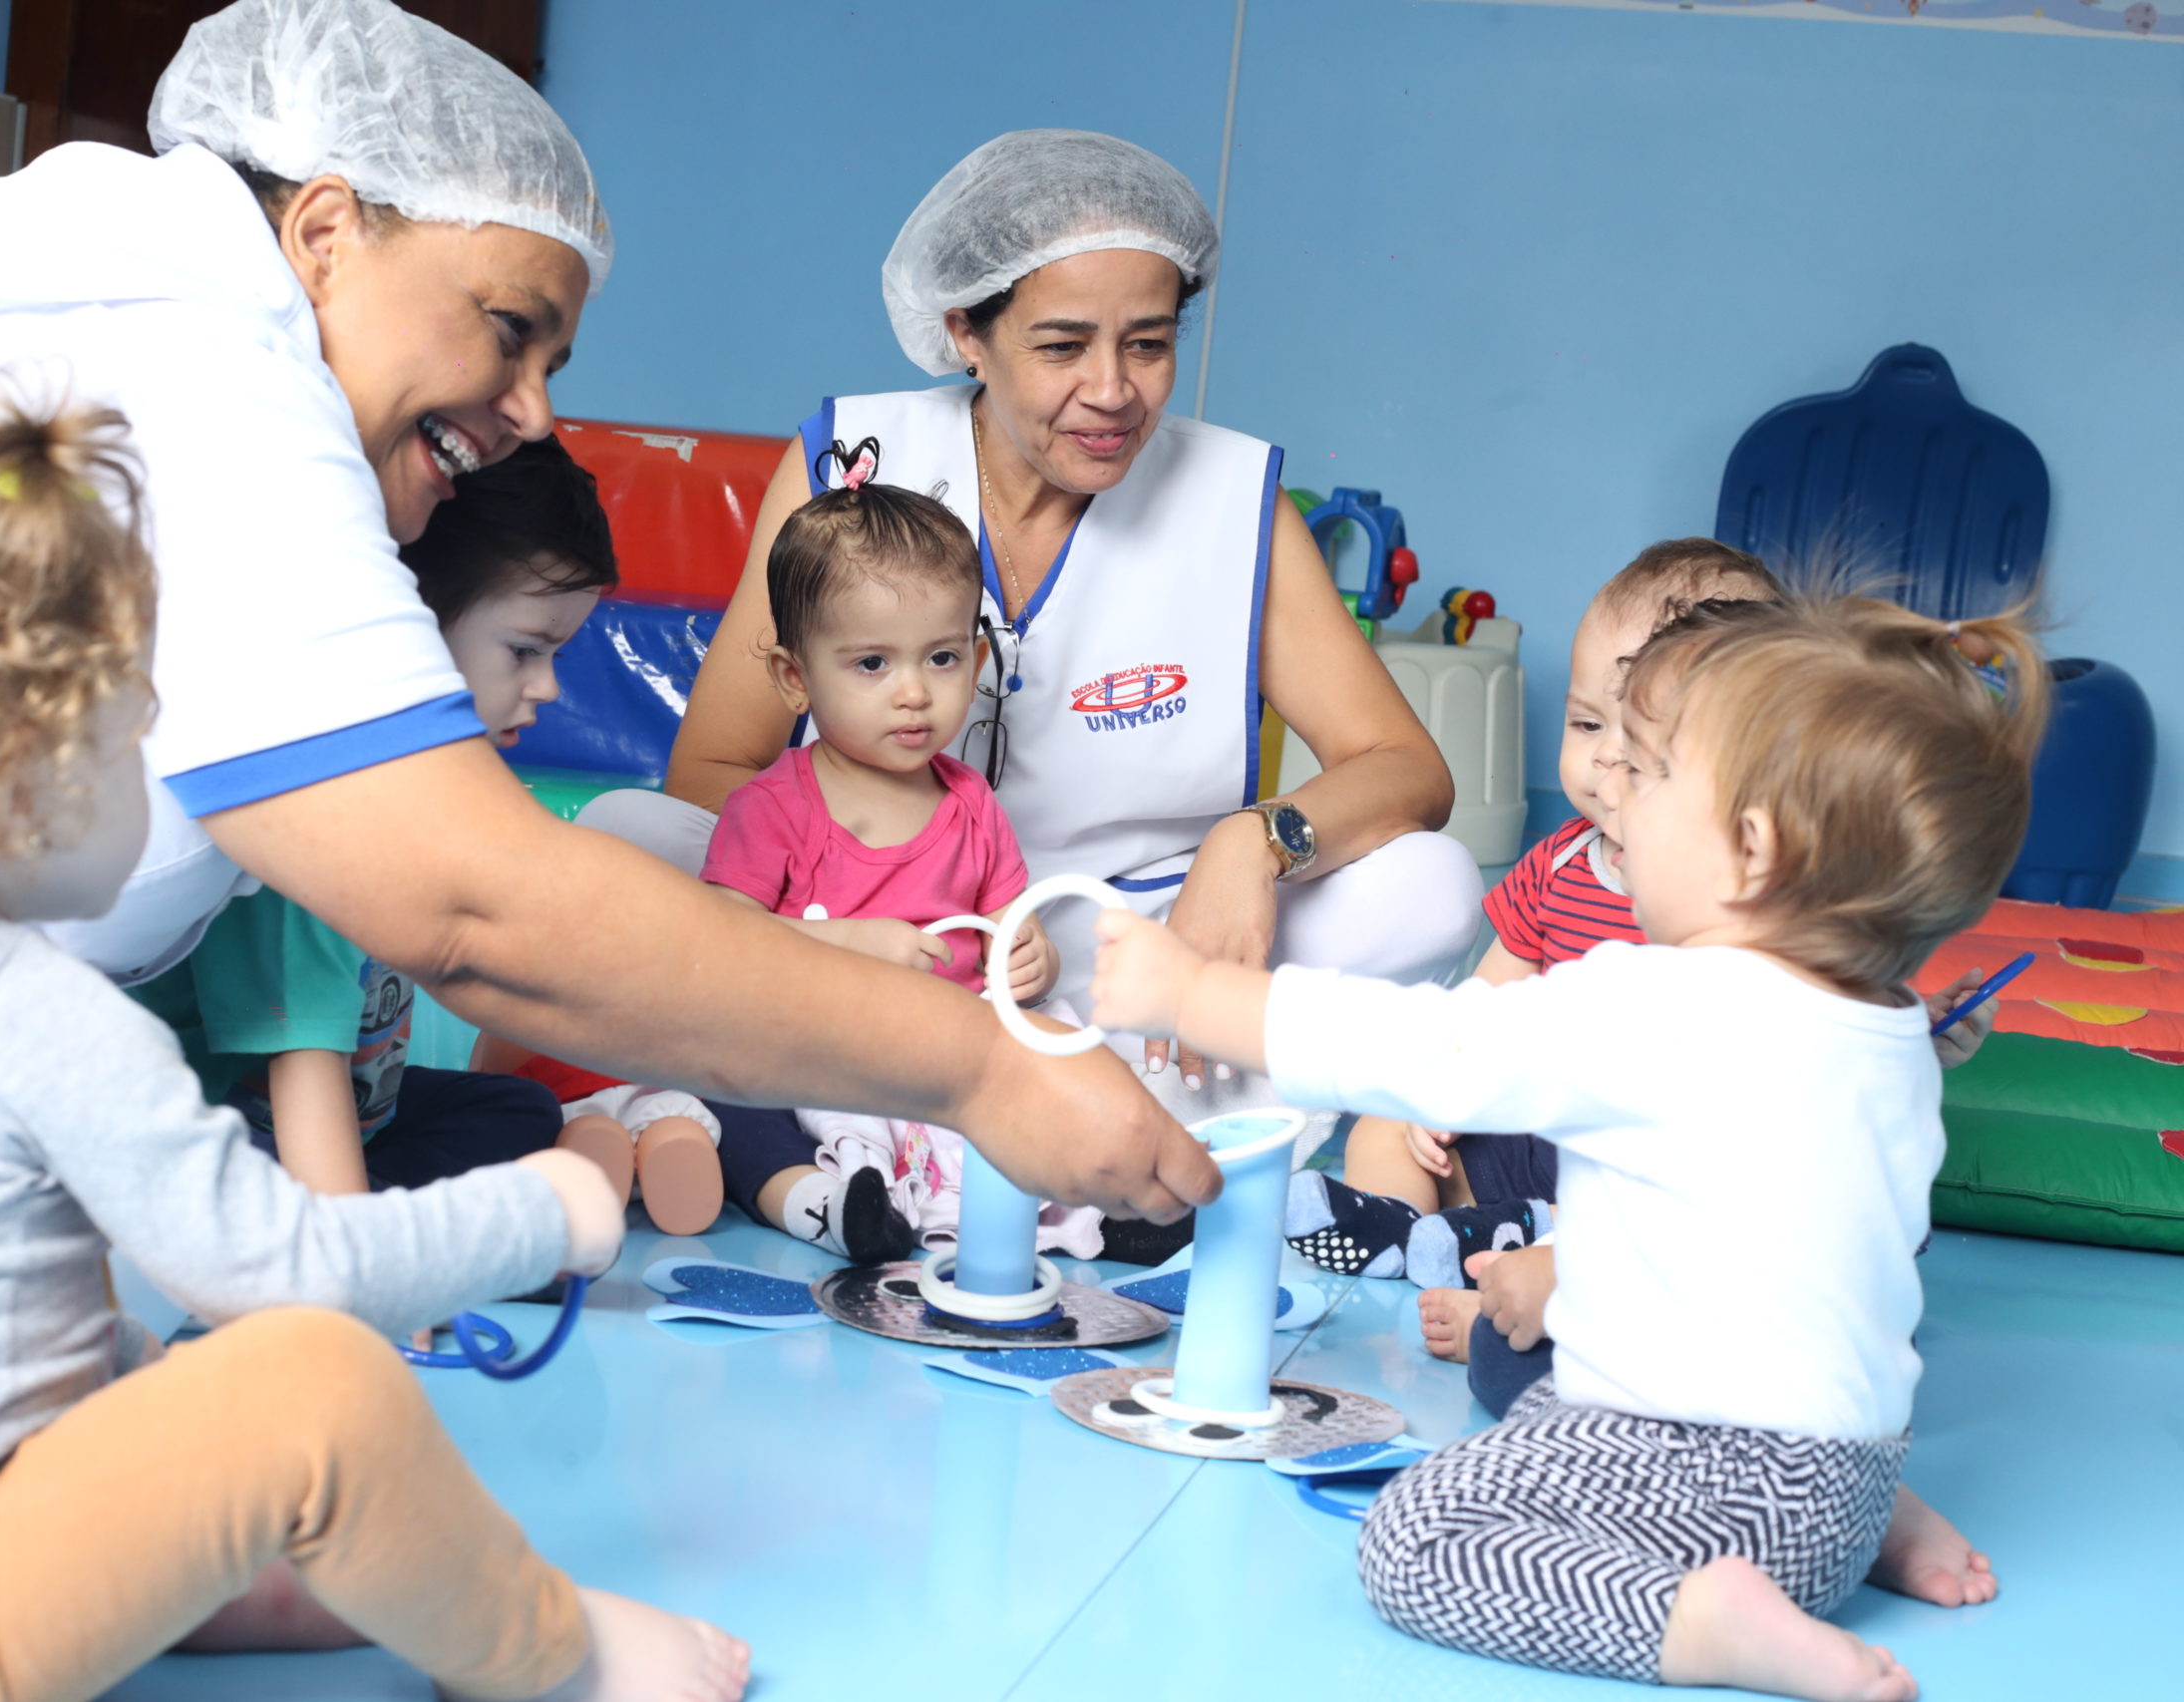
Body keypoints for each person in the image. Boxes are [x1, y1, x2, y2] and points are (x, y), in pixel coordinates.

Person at [0, 0, 1221, 1407]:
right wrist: (978, 1067)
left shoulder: (121, 284)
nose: (531, 410)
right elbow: (470, 907)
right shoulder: (209, 362)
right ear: (327, 228)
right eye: (509, 330)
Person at [0, 405, 748, 1702]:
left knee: (124, 1345)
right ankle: (551, 1657)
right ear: (12, 774)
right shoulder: (20, 1008)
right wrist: (542, 1212)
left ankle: (209, 1589)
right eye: (134, 729)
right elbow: (288, 1278)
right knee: (320, 1379)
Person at [1087, 591, 2028, 1697]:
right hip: (1842, 1477)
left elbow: (1418, 1045)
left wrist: (1194, 993)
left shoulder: (1656, 1004)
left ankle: (1702, 1624)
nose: (1613, 794)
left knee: (1416, 1536)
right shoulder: (1891, 1028)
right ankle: (1870, 1529)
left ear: (1751, 849)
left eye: (1652, 774)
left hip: (1703, 1484)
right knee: (1543, 1398)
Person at [583, 128, 1481, 1226]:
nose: (1112, 390)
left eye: (1148, 344)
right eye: (1062, 346)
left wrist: (1250, 844)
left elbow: (1407, 770)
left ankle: (950, 1118)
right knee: (625, 835)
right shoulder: (851, 460)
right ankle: (1050, 1124)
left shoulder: (1231, 496)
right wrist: (869, 894)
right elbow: (713, 767)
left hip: (1133, 955)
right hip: (881, 936)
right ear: (965, 331)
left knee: (1432, 885)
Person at [135, 439, 722, 1231]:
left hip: (361, 1121)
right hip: (231, 1134)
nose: (548, 686)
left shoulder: (432, 807)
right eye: (525, 650)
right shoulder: (317, 825)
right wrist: (358, 1259)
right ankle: (364, 1224)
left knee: (514, 1111)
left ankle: (382, 1208)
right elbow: (301, 1067)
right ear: (410, 627)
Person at [1289, 539, 1790, 1286]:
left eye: (1645, 740)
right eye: (1587, 725)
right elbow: (1484, 1007)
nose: (1606, 760)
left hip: (1650, 1164)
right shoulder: (1557, 864)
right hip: (1534, 1131)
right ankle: (1404, 1228)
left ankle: (1526, 1238)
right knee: (1389, 1121)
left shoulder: (1750, 887)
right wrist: (1444, 1088)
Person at [695, 477, 1059, 1259]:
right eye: (871, 663)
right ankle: (822, 1204)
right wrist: (850, 944)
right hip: (817, 1058)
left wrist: (1030, 955)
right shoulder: (772, 808)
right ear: (796, 679)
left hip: (942, 1065)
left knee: (1058, 1054)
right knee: (721, 1091)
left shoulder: (971, 804)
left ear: (978, 659)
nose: (913, 693)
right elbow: (720, 943)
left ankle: (1094, 1203)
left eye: (942, 658)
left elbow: (1010, 928)